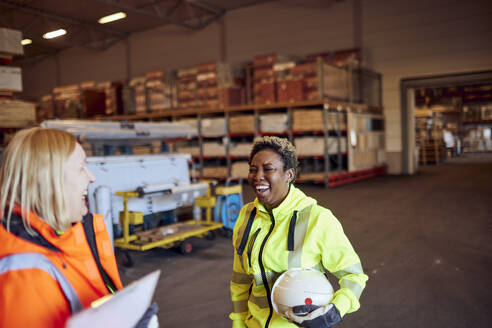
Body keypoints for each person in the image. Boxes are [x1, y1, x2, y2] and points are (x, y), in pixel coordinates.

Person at [230, 136, 368, 328]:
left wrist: (335, 310)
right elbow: (240, 279)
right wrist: (238, 322)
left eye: (268, 169)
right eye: (253, 169)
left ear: (289, 175)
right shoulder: (246, 216)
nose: (258, 176)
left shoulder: (318, 218)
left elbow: (354, 277)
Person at [0, 127, 125, 327]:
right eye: (81, 167)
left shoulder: (66, 237)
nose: (91, 177)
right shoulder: (24, 272)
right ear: (49, 179)